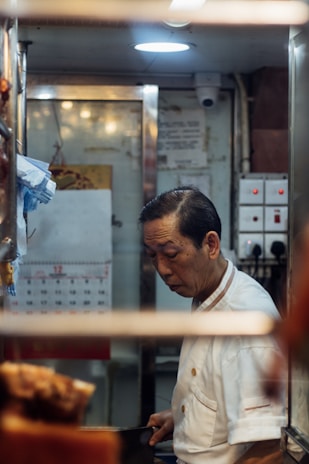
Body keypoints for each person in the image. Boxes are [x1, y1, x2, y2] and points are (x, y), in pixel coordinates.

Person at [139, 186, 286, 464]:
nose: (162, 269)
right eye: (152, 256)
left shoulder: (244, 323)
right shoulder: (208, 296)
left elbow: (275, 444)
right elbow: (226, 386)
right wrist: (186, 416)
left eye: (171, 254)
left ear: (210, 245)